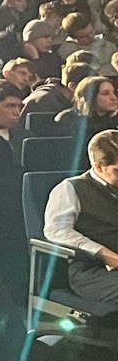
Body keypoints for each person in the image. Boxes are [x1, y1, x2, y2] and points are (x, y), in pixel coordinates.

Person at [44, 129, 118, 306]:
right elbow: (57, 231)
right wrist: (103, 254)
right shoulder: (70, 189)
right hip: (93, 271)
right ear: (99, 167)